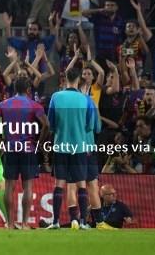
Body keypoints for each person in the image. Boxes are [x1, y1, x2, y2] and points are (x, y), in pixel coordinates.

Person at [0, 76, 48, 229]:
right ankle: (25, 223)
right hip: (28, 149)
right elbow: (46, 125)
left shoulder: (4, 104)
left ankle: (10, 223)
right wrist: (39, 143)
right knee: (27, 187)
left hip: (10, 149)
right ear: (28, 90)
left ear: (14, 89)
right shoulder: (34, 105)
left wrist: (0, 140)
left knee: (9, 187)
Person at [46, 67, 100, 230]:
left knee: (59, 183)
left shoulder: (56, 97)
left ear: (65, 79)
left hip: (61, 145)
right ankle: (83, 222)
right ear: (78, 80)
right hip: (79, 146)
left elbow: (51, 124)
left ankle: (55, 221)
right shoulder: (86, 100)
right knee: (81, 184)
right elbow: (90, 126)